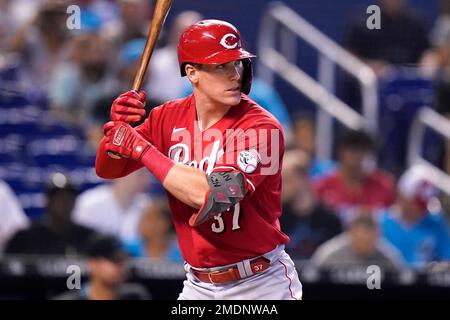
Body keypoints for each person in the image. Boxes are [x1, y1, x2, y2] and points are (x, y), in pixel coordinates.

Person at [95, 20, 302, 300]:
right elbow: (108, 168)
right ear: (192, 72)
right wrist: (117, 130)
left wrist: (142, 149)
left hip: (260, 283)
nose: (234, 75)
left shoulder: (262, 128)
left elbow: (214, 194)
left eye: (237, 63)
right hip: (198, 285)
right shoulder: (166, 117)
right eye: (221, 66)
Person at [4, 173, 97, 256]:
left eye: (68, 198)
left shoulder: (89, 238)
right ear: (47, 201)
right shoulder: (25, 237)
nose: (63, 204)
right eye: (58, 198)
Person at [54, 234, 151, 300]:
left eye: (123, 260)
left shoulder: (136, 296)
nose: (121, 266)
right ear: (93, 264)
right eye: (114, 260)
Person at [311, 214, 404, 272]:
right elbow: (312, 276)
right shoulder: (329, 254)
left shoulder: (390, 258)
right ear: (351, 234)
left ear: (377, 236)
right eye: (360, 240)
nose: (364, 245)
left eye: (368, 241)